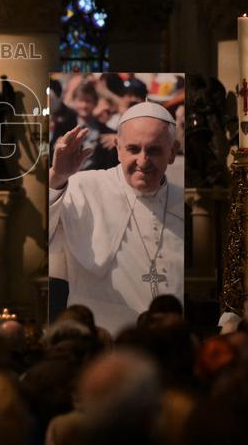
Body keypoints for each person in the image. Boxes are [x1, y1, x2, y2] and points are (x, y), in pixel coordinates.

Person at [48, 102, 184, 335]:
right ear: (118, 148)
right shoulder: (83, 187)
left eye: (154, 150)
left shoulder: (183, 200)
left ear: (172, 152)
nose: (143, 161)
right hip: (102, 342)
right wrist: (57, 177)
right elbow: (44, 235)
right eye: (133, 149)